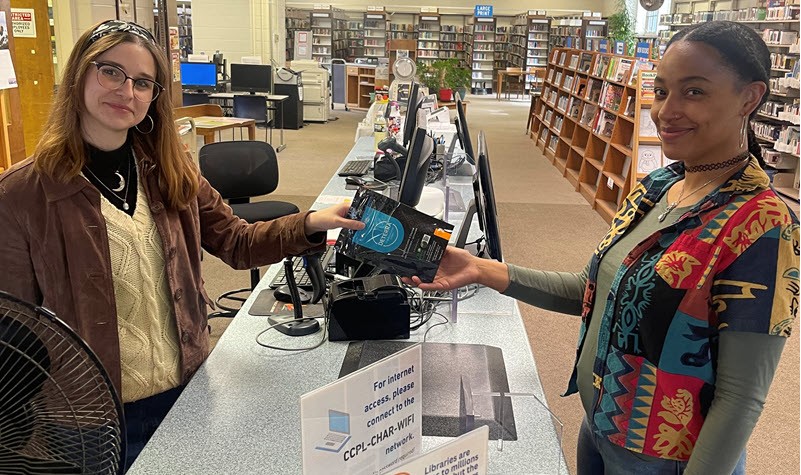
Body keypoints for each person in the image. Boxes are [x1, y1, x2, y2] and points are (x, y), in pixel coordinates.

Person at [406, 21, 798, 475]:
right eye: (663, 90)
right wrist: (482, 269)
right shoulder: (660, 185)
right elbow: (596, 292)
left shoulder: (762, 224)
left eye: (694, 92)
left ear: (750, 98)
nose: (667, 111)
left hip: (664, 459)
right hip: (600, 423)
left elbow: (741, 395)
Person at [0, 20, 363, 470]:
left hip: (185, 387)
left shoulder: (171, 171)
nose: (126, 91)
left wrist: (310, 223)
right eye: (110, 71)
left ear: (154, 97)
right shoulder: (22, 194)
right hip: (90, 420)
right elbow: (13, 332)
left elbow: (237, 241)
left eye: (143, 82)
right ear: (79, 75)